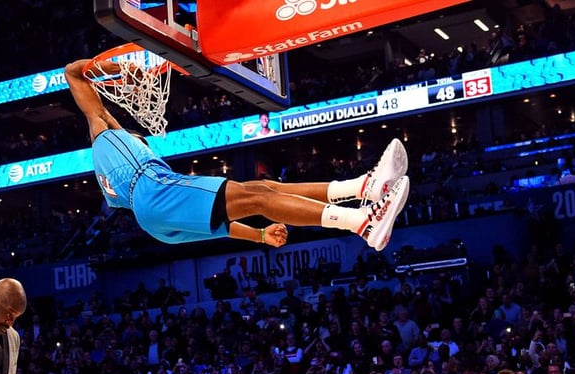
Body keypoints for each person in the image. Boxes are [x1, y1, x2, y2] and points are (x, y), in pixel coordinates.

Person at [64, 57, 410, 252]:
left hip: (153, 217)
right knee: (258, 195)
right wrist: (115, 69)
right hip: (153, 191)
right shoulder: (107, 133)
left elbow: (222, 227)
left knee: (263, 190)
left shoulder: (115, 168)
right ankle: (362, 222)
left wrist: (259, 235)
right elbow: (74, 74)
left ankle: (363, 188)